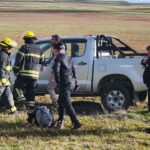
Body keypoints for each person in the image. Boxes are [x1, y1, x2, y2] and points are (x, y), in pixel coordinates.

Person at [13, 31, 45, 109]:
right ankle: (30, 108)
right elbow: (43, 63)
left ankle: (21, 101)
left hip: (24, 74)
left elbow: (18, 60)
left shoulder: (24, 47)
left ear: (26, 39)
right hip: (35, 76)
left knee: (17, 88)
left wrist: (15, 70)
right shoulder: (39, 49)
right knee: (30, 91)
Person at [53, 43, 81, 129]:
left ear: (57, 50)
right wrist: (75, 83)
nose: (53, 52)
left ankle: (76, 123)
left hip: (64, 83)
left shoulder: (58, 58)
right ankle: (60, 120)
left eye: (54, 50)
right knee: (60, 102)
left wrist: (58, 83)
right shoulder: (69, 58)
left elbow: (56, 71)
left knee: (67, 103)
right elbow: (73, 71)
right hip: (70, 82)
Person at [47, 35, 65, 108]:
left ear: (57, 40)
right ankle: (61, 104)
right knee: (60, 88)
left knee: (50, 87)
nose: (51, 41)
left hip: (57, 71)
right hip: (58, 70)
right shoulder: (58, 46)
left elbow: (57, 58)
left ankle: (56, 104)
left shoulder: (60, 48)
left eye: (53, 40)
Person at [0, 37, 17, 114]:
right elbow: (2, 69)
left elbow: (6, 68)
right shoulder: (4, 56)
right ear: (6, 47)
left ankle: (12, 111)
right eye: (10, 47)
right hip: (2, 81)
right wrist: (3, 80)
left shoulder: (5, 54)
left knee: (8, 95)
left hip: (5, 80)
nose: (11, 49)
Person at [141, 45, 150, 112]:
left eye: (149, 52)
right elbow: (143, 62)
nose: (148, 53)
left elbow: (145, 62)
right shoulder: (148, 58)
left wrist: (146, 61)